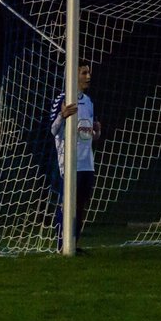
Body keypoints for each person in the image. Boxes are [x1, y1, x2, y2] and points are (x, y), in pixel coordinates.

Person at [50, 60, 102, 251]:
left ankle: (74, 243)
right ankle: (61, 244)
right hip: (69, 163)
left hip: (87, 163)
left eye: (88, 73)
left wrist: (97, 133)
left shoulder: (88, 101)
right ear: (73, 75)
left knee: (80, 206)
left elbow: (89, 135)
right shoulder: (62, 99)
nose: (88, 77)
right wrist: (62, 116)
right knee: (67, 204)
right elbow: (53, 130)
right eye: (83, 73)